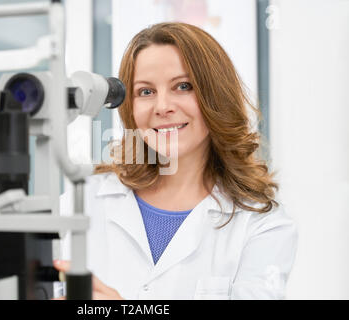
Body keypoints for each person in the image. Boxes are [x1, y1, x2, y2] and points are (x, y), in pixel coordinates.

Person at [53, 22, 298, 300]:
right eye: (146, 91)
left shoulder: (262, 225)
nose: (162, 107)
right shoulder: (81, 201)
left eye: (183, 86)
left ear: (215, 96)